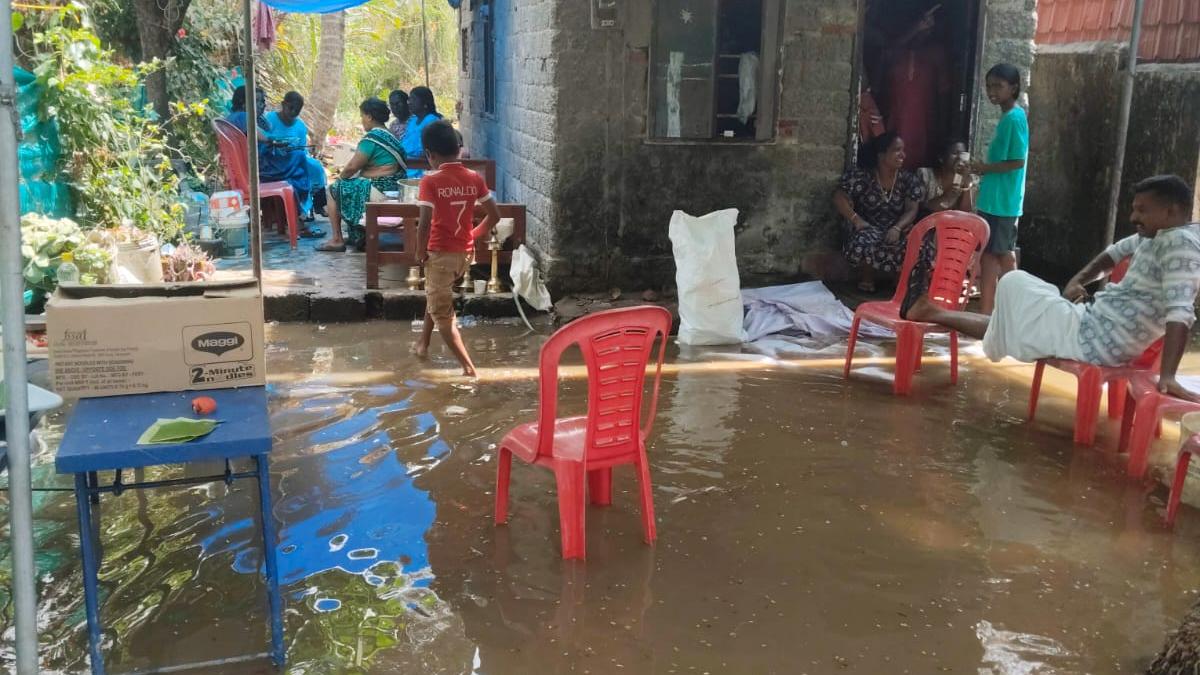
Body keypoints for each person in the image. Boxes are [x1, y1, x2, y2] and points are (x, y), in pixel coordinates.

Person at [905, 175, 1200, 401]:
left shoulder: (1180, 245)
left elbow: (1180, 312)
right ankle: (932, 311)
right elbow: (1113, 253)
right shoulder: (1155, 236)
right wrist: (1076, 281)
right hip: (1090, 325)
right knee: (1015, 312)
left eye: (1142, 210)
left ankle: (931, 311)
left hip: (1095, 342)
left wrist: (1169, 376)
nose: (1134, 217)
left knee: (1014, 284)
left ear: (1172, 211)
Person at [413, 120, 501, 377]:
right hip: (465, 254)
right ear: (458, 149)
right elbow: (494, 215)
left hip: (440, 254)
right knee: (437, 295)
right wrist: (472, 234)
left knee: (443, 314)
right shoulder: (474, 178)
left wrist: (420, 252)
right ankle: (423, 344)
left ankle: (469, 369)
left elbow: (424, 224)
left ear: (430, 154)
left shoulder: (430, 182)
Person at [833, 131, 925, 293]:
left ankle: (899, 280)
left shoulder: (908, 180)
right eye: (897, 150)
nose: (902, 155)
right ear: (881, 155)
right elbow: (839, 197)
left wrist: (897, 228)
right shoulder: (862, 176)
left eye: (903, 150)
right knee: (866, 239)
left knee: (915, 241)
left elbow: (912, 209)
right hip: (869, 227)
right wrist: (857, 220)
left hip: (898, 227)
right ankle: (867, 278)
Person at [971, 63, 1030, 314]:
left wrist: (983, 167)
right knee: (991, 255)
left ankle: (1017, 311)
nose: (992, 91)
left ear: (1013, 88)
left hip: (1002, 202)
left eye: (998, 86)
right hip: (994, 199)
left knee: (1001, 255)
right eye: (989, 85)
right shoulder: (1008, 117)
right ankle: (990, 313)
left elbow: (1017, 161)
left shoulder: (1014, 119)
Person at [317, 98, 407, 252]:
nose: (362, 120)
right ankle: (358, 237)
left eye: (362, 116)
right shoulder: (390, 136)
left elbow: (352, 166)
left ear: (370, 117)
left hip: (380, 190)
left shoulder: (372, 138)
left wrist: (340, 179)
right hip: (394, 188)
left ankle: (337, 239)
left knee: (333, 190)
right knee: (351, 185)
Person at [225, 86, 310, 215]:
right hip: (261, 170)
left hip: (249, 169)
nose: (262, 105)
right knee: (299, 157)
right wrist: (275, 139)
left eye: (263, 101)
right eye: (258, 101)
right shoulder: (244, 117)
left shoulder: (231, 118)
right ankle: (300, 212)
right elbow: (264, 138)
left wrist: (261, 120)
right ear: (244, 103)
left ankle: (291, 213)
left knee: (296, 171)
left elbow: (264, 132)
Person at [263, 91, 328, 228]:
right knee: (299, 167)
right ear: (283, 105)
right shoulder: (270, 119)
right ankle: (298, 211)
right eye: (290, 108)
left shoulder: (300, 126)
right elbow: (264, 142)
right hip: (273, 159)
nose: (292, 112)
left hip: (293, 157)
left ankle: (318, 203)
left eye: (296, 110)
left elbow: (301, 148)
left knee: (316, 166)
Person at [917, 140, 976, 217]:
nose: (959, 158)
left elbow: (965, 214)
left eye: (962, 154)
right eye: (955, 153)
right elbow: (921, 209)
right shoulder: (925, 175)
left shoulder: (967, 179)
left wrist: (965, 181)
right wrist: (947, 197)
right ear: (941, 158)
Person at [401, 86, 443, 160]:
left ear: (424, 102)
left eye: (413, 99)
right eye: (409, 99)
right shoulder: (413, 121)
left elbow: (430, 150)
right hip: (408, 164)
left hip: (422, 165)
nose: (409, 103)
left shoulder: (432, 121)